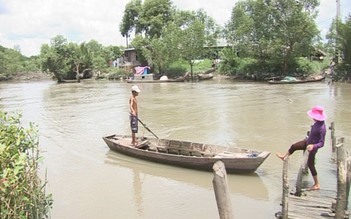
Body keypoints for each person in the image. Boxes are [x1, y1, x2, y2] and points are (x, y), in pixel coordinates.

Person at [276, 106, 327, 190]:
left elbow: (321, 143)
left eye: (313, 116)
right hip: (307, 142)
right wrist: (308, 139)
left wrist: (313, 146)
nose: (312, 118)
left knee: (311, 165)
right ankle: (284, 156)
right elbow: (313, 134)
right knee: (294, 146)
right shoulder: (317, 123)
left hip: (312, 148)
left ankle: (317, 184)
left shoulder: (322, 128)